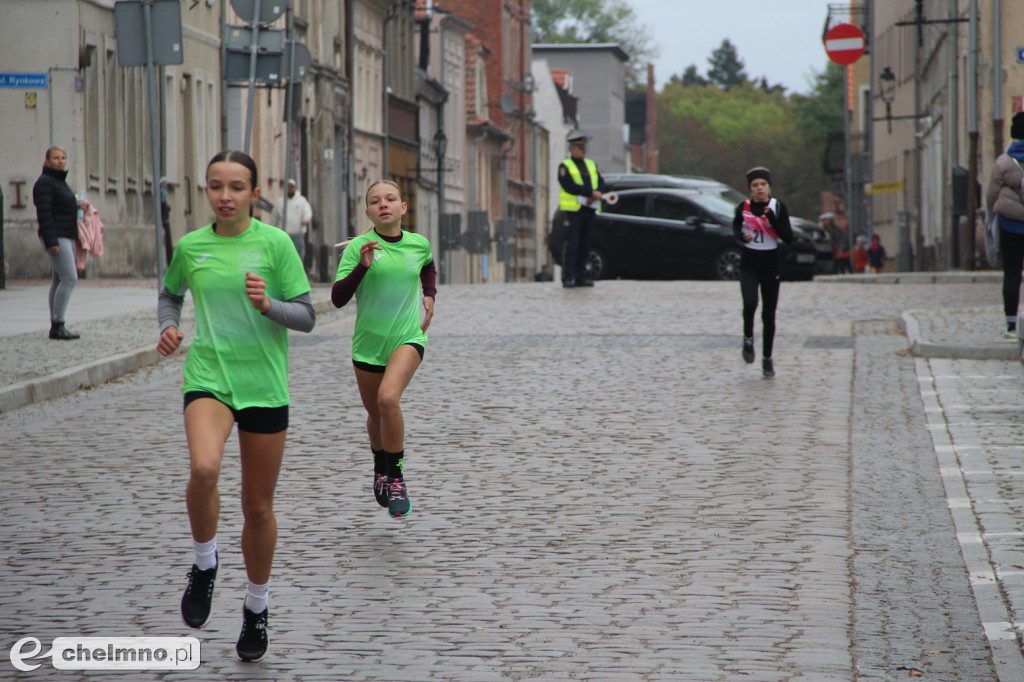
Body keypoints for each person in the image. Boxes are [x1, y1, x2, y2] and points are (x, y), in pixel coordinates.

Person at [156, 150, 315, 662]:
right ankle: (204, 564)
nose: (226, 196)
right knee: (204, 469)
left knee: (257, 507)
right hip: (209, 375)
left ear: (253, 192)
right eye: (216, 186)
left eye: (237, 187)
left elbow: (308, 316)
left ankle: (256, 606)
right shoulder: (191, 246)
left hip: (265, 385)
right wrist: (168, 326)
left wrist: (270, 305)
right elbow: (169, 293)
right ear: (205, 190)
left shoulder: (275, 244)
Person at [331, 180, 436, 518]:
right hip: (367, 346)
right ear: (368, 212)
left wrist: (429, 294)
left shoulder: (418, 244)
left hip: (407, 337)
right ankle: (380, 465)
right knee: (375, 414)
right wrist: (362, 265)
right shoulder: (358, 248)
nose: (384, 204)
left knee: (388, 399)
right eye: (376, 201)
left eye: (391, 199)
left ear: (404, 207)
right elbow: (337, 299)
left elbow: (428, 265)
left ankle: (397, 479)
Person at [733, 166, 793, 378]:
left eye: (763, 185)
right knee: (750, 304)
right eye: (755, 185)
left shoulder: (778, 207)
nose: (759, 189)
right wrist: (741, 238)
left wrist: (773, 220)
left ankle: (767, 359)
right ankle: (748, 339)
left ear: (769, 187)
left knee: (769, 314)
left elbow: (788, 237)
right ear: (750, 188)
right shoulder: (743, 207)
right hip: (749, 262)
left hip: (770, 264)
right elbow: (735, 229)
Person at [33, 146, 81, 340]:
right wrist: (51, 241)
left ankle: (56, 323)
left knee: (59, 280)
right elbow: (44, 214)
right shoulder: (45, 183)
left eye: (63, 158)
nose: (60, 161)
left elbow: (62, 208)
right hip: (57, 236)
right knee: (70, 278)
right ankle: (58, 324)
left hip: (67, 235)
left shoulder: (60, 182)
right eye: (56, 158)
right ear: (47, 161)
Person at [985, 111, 1024, 340]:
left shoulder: (1004, 162)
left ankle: (1010, 325)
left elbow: (991, 196)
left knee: (1011, 273)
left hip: (1010, 225)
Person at [557, 130, 606, 288]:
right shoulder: (565, 166)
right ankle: (568, 276)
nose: (583, 150)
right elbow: (569, 186)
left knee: (585, 244)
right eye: (579, 147)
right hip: (573, 211)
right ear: (571, 149)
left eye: (584, 147)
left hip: (589, 209)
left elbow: (601, 182)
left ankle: (581, 276)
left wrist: (597, 192)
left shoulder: (591, 165)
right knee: (572, 244)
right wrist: (590, 193)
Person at [270, 178, 313, 263]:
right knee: (285, 258)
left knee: (298, 259)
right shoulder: (281, 202)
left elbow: (307, 211)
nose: (290, 189)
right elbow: (275, 217)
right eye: (288, 187)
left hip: (297, 235)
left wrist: (305, 219)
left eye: (291, 187)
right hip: (284, 236)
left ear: (295, 188)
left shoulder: (301, 201)